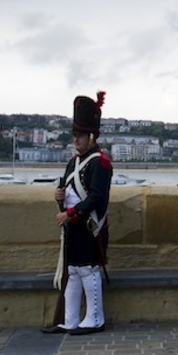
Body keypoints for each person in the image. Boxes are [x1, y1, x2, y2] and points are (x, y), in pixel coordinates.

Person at [42, 92, 113, 336]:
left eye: (80, 136)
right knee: (72, 272)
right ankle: (70, 320)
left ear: (91, 135)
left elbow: (96, 197)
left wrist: (71, 212)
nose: (76, 140)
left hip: (89, 226)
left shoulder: (100, 163)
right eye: (75, 136)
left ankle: (94, 318)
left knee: (88, 270)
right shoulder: (74, 162)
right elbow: (69, 188)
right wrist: (59, 198)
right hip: (73, 224)